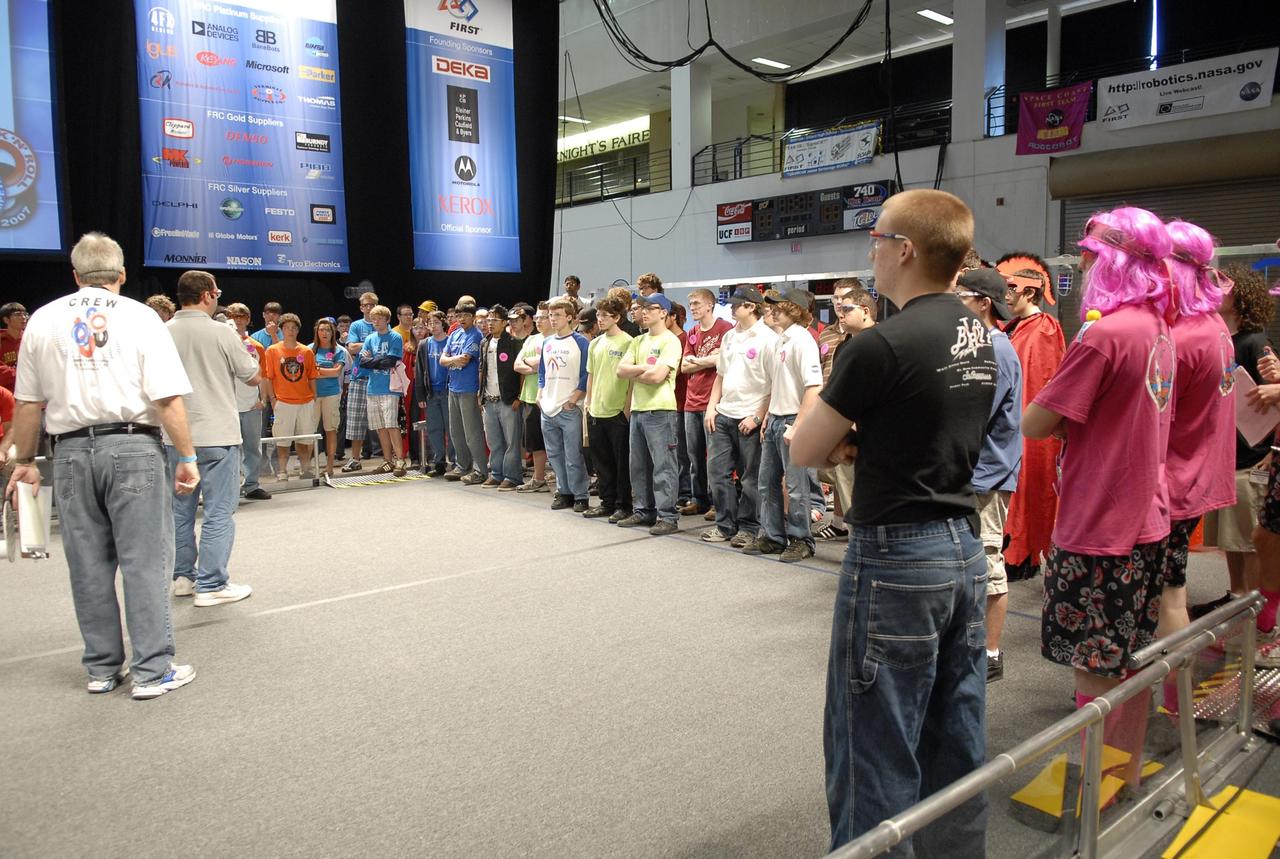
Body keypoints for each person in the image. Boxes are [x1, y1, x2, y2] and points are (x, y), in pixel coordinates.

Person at [789, 190, 995, 853]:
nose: (871, 251)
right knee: (953, 735)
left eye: (876, 238)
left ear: (904, 249)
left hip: (897, 557)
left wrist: (818, 396)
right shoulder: (978, 333)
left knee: (873, 743)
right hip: (960, 546)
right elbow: (926, 424)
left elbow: (805, 447)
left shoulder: (879, 344)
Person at [8, 232, 201, 698]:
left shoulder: (42, 320)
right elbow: (166, 396)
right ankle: (153, 671)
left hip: (70, 452)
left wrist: (26, 461)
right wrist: (188, 457)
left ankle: (101, 668)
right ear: (121, 274)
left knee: (88, 564)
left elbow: (28, 402)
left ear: (75, 275)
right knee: (144, 561)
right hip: (133, 447)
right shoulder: (140, 317)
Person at [1024, 206, 1175, 788]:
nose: (1083, 268)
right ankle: (1124, 771)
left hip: (1099, 519)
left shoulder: (1107, 334)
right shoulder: (1155, 327)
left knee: (1094, 668)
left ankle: (1098, 785)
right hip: (1143, 514)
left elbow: (1039, 421)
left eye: (1088, 258)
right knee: (1131, 655)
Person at [1155, 220, 1237, 712]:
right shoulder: (1213, 325)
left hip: (1173, 482)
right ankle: (1173, 696)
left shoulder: (1183, 336)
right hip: (1193, 476)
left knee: (1167, 596)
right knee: (1171, 591)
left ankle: (1172, 700)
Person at [165, 270, 261, 606]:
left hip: (175, 437)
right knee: (219, 512)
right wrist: (250, 353)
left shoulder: (163, 332)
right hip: (217, 433)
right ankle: (211, 584)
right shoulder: (222, 332)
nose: (218, 296)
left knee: (181, 511)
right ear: (207, 295)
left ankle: (182, 577)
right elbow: (252, 376)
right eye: (216, 291)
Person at [954, 268, 1023, 682]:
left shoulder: (995, 350)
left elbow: (974, 415)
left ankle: (991, 652)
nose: (954, 302)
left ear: (983, 303)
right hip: (971, 473)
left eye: (962, 295)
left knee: (988, 562)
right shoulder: (977, 346)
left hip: (987, 476)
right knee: (968, 563)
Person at [1198, 264, 1272, 615]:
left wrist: (1272, 452)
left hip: (1253, 454)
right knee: (1230, 535)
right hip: (1229, 454)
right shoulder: (1222, 340)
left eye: (1222, 286)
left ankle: (1254, 603)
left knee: (1250, 537)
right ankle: (1236, 594)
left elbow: (1272, 401)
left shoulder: (1255, 342)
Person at [997, 253, 1064, 581]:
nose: (1006, 295)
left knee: (1028, 486)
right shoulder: (1016, 327)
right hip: (1009, 423)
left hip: (1029, 428)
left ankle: (1022, 554)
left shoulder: (1043, 329)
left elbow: (1040, 383)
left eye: (1012, 289)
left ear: (1029, 292)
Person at [749, 288, 823, 563]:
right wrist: (767, 416)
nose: (771, 310)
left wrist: (799, 425)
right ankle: (773, 535)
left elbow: (814, 387)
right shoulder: (779, 341)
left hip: (793, 419)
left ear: (793, 309)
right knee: (766, 482)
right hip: (778, 418)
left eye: (778, 306)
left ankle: (802, 539)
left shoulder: (801, 340)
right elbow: (773, 386)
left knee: (796, 485)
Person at [702, 286, 777, 547]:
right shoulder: (730, 337)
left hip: (749, 416)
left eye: (737, 305)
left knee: (750, 478)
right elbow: (720, 375)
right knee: (717, 473)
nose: (732, 309)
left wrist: (758, 416)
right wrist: (712, 407)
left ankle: (748, 526)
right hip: (724, 414)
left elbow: (772, 383)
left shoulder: (768, 338)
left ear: (751, 307)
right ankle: (725, 525)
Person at [616, 292, 683, 535]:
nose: (643, 311)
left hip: (661, 410)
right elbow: (620, 370)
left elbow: (657, 377)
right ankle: (643, 510)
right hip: (638, 409)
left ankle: (667, 516)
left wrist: (638, 371)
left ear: (663, 312)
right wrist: (645, 368)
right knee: (639, 465)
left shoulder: (670, 341)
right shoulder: (638, 341)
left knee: (663, 466)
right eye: (641, 307)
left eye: (650, 307)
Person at [679, 288, 733, 518]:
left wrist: (698, 361)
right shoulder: (691, 332)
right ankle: (698, 498)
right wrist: (708, 361)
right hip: (692, 402)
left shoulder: (725, 329)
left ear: (710, 305)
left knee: (716, 457)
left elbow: (724, 360)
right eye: (690, 304)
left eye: (697, 303)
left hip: (714, 401)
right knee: (694, 456)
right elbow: (684, 367)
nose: (693, 308)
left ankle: (716, 501)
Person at [583, 295, 634, 521]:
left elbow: (632, 379)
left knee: (621, 462)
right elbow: (591, 376)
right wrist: (589, 402)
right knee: (601, 460)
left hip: (617, 411)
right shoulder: (595, 343)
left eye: (605, 315)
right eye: (598, 315)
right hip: (596, 410)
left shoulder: (628, 342)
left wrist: (626, 408)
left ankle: (624, 504)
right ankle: (607, 501)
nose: (600, 319)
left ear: (617, 317)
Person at [538, 297, 591, 512]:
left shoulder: (580, 342)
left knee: (573, 456)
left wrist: (574, 398)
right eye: (551, 315)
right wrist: (540, 395)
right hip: (548, 407)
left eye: (557, 315)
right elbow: (542, 372)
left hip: (569, 408)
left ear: (570, 317)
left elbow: (586, 373)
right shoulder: (547, 343)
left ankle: (581, 495)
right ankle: (564, 491)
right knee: (555, 456)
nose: (553, 318)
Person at [264, 313, 320, 480]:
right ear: (281, 330)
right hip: (283, 401)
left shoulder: (306, 351)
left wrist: (314, 397)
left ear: (298, 330)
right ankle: (282, 470)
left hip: (305, 400)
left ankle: (305, 469)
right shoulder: (273, 351)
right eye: (287, 328)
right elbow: (268, 377)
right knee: (283, 440)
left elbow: (312, 376)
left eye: (294, 328)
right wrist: (272, 399)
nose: (290, 331)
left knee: (305, 438)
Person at [226, 303, 271, 500]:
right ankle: (230, 488)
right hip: (228, 405)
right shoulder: (223, 342)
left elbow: (264, 375)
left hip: (251, 404)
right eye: (233, 316)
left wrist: (263, 399)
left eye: (242, 316)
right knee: (230, 449)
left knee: (253, 447)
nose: (237, 319)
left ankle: (252, 485)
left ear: (248, 319)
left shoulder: (257, 346)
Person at [479, 304, 525, 489]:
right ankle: (496, 473)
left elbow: (522, 373)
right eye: (488, 320)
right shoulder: (485, 342)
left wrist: (519, 396)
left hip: (508, 399)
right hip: (489, 399)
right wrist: (479, 394)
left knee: (511, 441)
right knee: (494, 441)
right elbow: (483, 369)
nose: (490, 324)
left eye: (494, 320)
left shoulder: (513, 343)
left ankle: (512, 476)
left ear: (505, 322)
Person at [440, 302, 487, 484]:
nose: (461, 319)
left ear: (473, 317)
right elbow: (443, 360)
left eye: (466, 316)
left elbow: (465, 360)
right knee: (456, 431)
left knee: (472, 432)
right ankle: (462, 465)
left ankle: (480, 470)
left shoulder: (476, 335)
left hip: (469, 388)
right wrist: (453, 360)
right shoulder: (454, 334)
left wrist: (451, 360)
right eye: (459, 316)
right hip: (453, 387)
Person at [358, 305, 407, 476]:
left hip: (390, 388)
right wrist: (377, 360)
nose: (375, 321)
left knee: (391, 424)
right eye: (373, 318)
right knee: (380, 427)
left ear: (387, 319)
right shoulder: (370, 338)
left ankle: (400, 460)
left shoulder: (395, 337)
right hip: (373, 388)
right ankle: (388, 461)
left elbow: (391, 361)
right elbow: (362, 362)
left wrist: (373, 360)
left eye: (379, 318)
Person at [514, 303, 551, 492]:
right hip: (529, 396)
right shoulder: (530, 340)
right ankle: (538, 478)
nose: (539, 321)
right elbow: (516, 364)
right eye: (537, 318)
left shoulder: (555, 340)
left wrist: (537, 364)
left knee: (553, 442)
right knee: (534, 441)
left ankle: (562, 483)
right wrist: (533, 366)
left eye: (543, 317)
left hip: (549, 398)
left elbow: (544, 363)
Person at [342, 291, 379, 472]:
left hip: (381, 378)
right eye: (366, 305)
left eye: (373, 305)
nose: (370, 308)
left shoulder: (384, 325)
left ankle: (389, 458)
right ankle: (355, 459)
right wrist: (374, 345)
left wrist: (364, 346)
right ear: (361, 307)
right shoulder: (357, 325)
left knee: (385, 422)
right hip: (359, 378)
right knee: (356, 421)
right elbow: (352, 348)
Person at [415, 310, 453, 476]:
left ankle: (455, 460)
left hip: (448, 391)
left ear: (443, 323)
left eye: (437, 322)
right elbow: (419, 370)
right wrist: (421, 395)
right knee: (434, 428)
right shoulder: (424, 344)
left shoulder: (451, 341)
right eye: (430, 323)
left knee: (451, 428)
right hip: (431, 392)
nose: (434, 326)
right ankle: (439, 462)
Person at [311, 317, 348, 479]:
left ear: (333, 332)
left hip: (332, 394)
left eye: (328, 330)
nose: (324, 333)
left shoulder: (338, 350)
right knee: (311, 430)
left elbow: (336, 372)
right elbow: (307, 373)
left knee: (330, 429)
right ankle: (309, 466)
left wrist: (317, 370)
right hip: (312, 394)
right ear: (316, 332)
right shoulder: (309, 349)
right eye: (321, 330)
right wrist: (323, 371)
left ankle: (330, 466)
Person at [0, 301, 26, 391]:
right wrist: (25, 372)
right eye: (18, 314)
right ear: (6, 320)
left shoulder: (30, 338)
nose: (23, 317)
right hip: (6, 394)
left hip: (31, 392)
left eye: (24, 314)